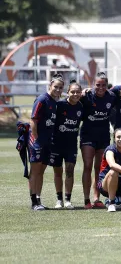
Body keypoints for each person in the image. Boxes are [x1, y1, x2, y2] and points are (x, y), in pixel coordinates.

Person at [79, 72, 116, 209]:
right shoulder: (86, 96)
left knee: (98, 168)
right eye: (98, 85)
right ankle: (86, 199)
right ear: (93, 85)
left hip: (103, 137)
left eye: (103, 85)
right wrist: (81, 93)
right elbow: (72, 99)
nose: (100, 88)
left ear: (107, 85)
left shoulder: (111, 97)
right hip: (88, 136)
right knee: (88, 165)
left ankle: (96, 198)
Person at [28, 73, 64, 210]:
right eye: (56, 87)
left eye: (61, 88)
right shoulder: (42, 99)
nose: (58, 90)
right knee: (35, 172)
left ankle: (38, 199)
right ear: (50, 86)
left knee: (41, 171)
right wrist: (36, 140)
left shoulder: (55, 101)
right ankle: (33, 203)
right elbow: (33, 120)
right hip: (39, 141)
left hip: (48, 141)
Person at [49, 80, 84, 209]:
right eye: (73, 92)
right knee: (58, 172)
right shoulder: (60, 105)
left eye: (78, 92)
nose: (75, 94)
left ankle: (68, 199)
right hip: (57, 144)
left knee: (70, 171)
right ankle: (59, 200)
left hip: (71, 145)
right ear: (68, 92)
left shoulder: (81, 106)